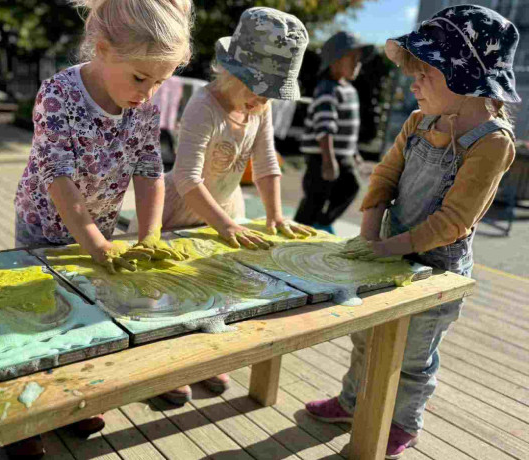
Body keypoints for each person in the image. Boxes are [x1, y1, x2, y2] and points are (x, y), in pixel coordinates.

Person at [307, 5, 519, 458]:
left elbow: (451, 223)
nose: (413, 83)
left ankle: (404, 423)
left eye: (425, 73)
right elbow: (384, 177)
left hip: (438, 265)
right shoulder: (420, 120)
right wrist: (369, 235)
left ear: (464, 77)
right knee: (367, 336)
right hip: (387, 247)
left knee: (412, 357)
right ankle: (351, 402)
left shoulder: (492, 142)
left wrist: (385, 248)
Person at [11, 0, 194, 457]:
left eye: (160, 82)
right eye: (140, 79)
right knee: (41, 321)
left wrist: (149, 235)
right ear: (103, 48)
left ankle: (75, 403)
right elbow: (57, 176)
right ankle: (25, 421)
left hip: (102, 230)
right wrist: (92, 241)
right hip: (45, 226)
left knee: (89, 317)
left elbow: (150, 168)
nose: (148, 93)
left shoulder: (145, 104)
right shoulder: (59, 94)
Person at [156, 7, 317, 405]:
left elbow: (266, 165)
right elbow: (186, 178)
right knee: (177, 290)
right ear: (230, 71)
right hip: (183, 211)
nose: (263, 99)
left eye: (270, 92)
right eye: (258, 87)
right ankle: (171, 367)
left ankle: (208, 358)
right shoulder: (202, 106)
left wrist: (277, 215)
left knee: (218, 287)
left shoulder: (259, 109)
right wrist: (224, 225)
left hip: (227, 209)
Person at [294, 31, 374, 234]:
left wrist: (354, 153)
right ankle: (297, 228)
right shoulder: (327, 90)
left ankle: (322, 221)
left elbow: (348, 129)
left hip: (343, 154)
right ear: (335, 62)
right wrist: (328, 161)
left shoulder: (349, 90)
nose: (358, 64)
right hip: (322, 155)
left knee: (351, 186)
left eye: (359, 60)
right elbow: (325, 126)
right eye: (353, 59)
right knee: (316, 196)